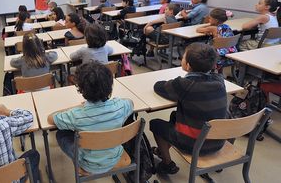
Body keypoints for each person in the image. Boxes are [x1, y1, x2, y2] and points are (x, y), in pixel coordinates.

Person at [149, 43, 227, 174]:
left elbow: (158, 86)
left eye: (183, 57)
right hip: (218, 141)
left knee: (155, 124)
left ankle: (167, 164)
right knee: (175, 116)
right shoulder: (219, 80)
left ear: (188, 65)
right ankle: (163, 150)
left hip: (194, 144)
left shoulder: (184, 85)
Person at [47, 61, 134, 174]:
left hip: (88, 165)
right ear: (110, 86)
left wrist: (77, 106)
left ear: (81, 90)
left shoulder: (76, 115)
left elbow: (50, 118)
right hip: (114, 157)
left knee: (61, 133)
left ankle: (79, 158)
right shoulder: (120, 107)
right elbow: (131, 103)